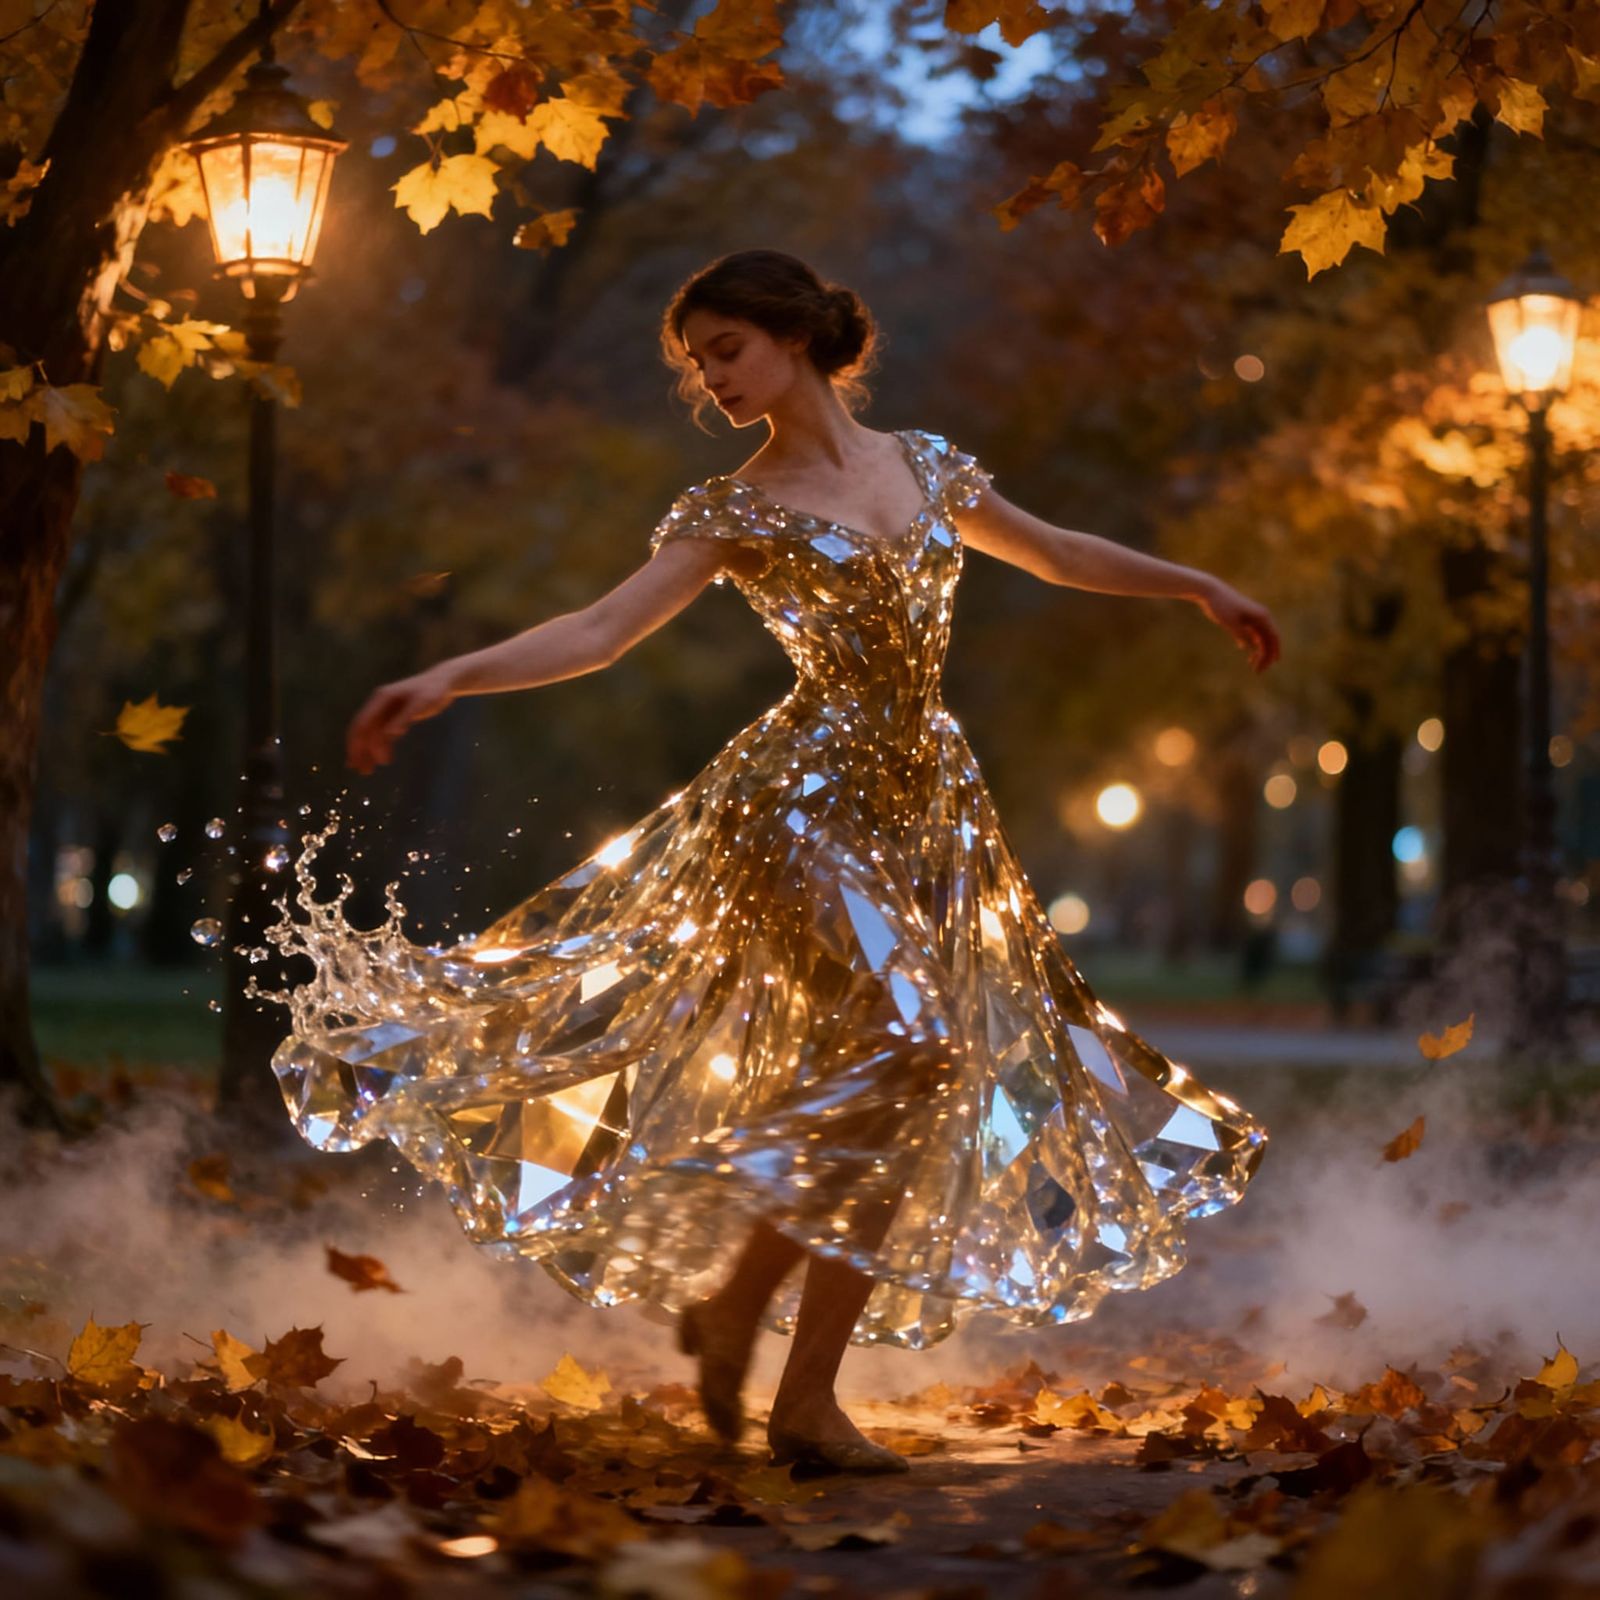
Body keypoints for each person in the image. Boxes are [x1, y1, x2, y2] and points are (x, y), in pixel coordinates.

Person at [285, 249, 1278, 1477]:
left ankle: (803, 1401)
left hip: (929, 807)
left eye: (726, 350)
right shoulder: (732, 509)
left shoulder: (922, 465)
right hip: (802, 806)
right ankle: (739, 1301)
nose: (712, 382)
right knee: (914, 1051)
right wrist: (452, 672)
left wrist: (1196, 585)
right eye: (697, 363)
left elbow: (1058, 551)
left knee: (913, 1084)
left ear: (794, 337)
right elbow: (600, 630)